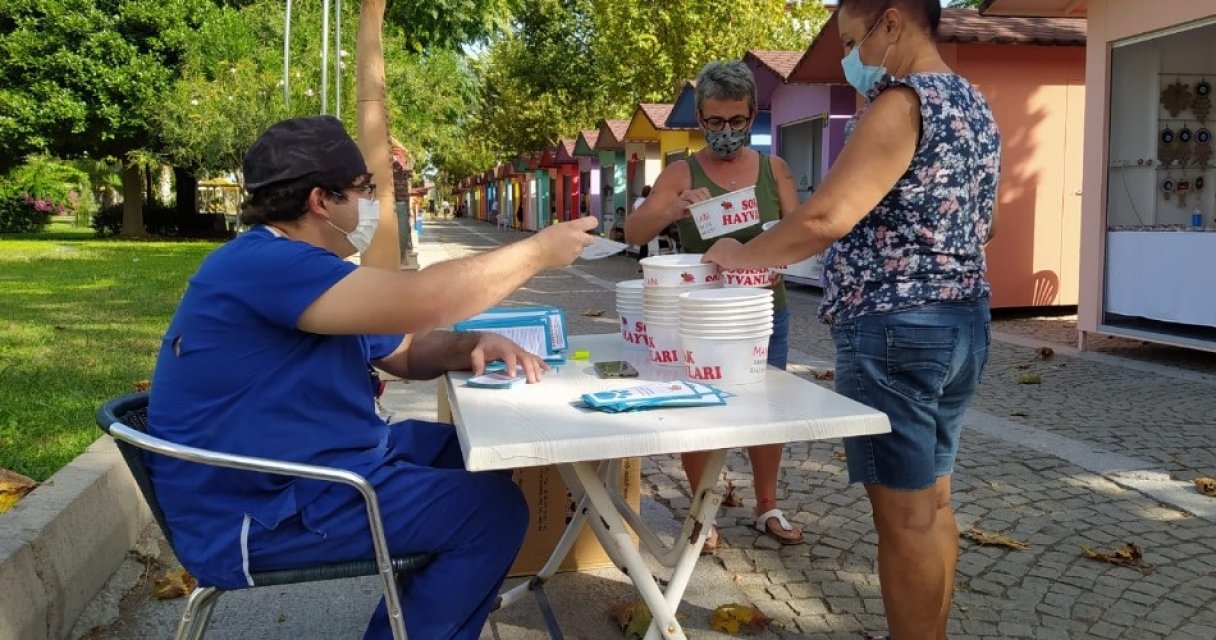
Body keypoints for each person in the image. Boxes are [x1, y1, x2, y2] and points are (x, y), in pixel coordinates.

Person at [146, 116, 598, 640]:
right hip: (259, 507)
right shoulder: (267, 265)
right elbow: (424, 301)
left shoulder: (304, 271)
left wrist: (472, 344)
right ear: (321, 201)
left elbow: (403, 350)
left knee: (475, 454)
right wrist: (538, 252)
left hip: (306, 467)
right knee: (489, 514)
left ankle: (426, 615)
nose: (372, 204)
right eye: (364, 190)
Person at [704, 2, 998, 637]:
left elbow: (823, 218)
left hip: (896, 327)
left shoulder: (900, 104)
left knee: (905, 519)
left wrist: (740, 256)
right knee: (934, 503)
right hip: (962, 320)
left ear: (891, 23)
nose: (850, 58)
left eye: (851, 40)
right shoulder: (974, 105)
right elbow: (987, 224)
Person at [625, 61, 804, 551]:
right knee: (698, 412)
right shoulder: (682, 169)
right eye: (715, 122)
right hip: (697, 315)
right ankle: (704, 509)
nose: (726, 132)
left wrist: (756, 254)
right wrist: (671, 208)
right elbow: (634, 232)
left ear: (753, 116)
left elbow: (801, 234)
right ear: (700, 118)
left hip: (764, 312)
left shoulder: (775, 169)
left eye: (737, 121)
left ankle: (767, 503)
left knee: (768, 409)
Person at [390, 141, 414, 267]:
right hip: (398, 201)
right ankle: (402, 257)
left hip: (400, 202)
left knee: (403, 230)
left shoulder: (398, 165)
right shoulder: (396, 163)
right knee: (402, 230)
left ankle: (403, 256)